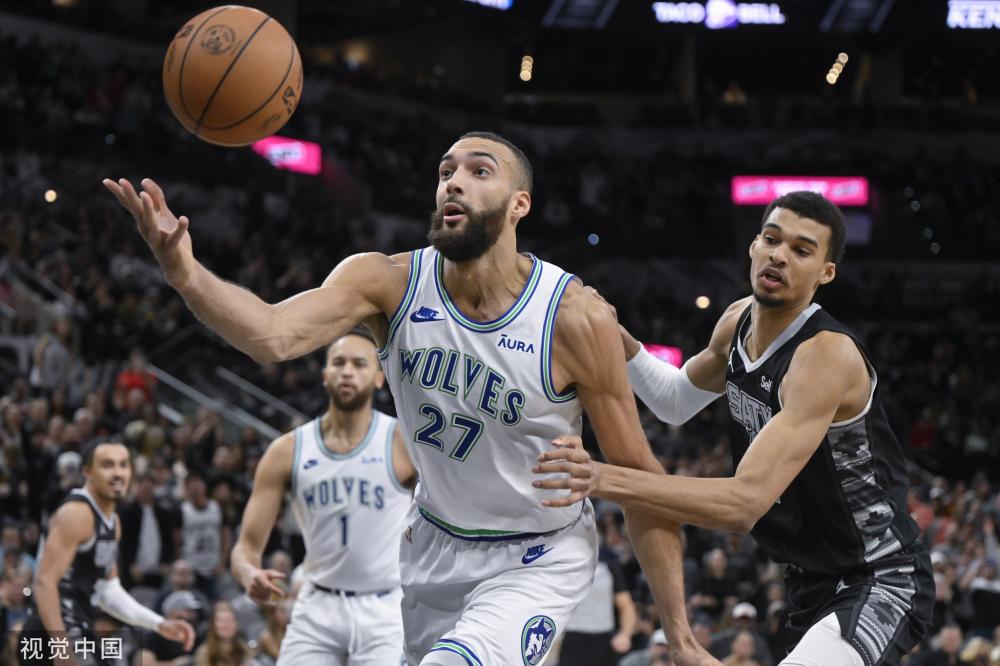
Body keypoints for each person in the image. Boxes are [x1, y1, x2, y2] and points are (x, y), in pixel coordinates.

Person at [103, 131, 718, 665]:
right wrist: (185, 273)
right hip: (433, 545)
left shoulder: (574, 317)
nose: (454, 182)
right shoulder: (387, 281)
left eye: (480, 171)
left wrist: (680, 635)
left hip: (537, 554)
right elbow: (272, 334)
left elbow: (642, 481)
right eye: (446, 171)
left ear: (519, 205)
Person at [536, 192, 934, 666]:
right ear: (753, 246)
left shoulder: (825, 355)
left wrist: (600, 477)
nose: (779, 255)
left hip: (879, 576)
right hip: (809, 579)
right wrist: (620, 340)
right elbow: (675, 401)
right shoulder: (737, 320)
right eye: (772, 239)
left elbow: (743, 504)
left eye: (801, 250)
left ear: (826, 272)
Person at [230, 331, 417, 664]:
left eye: (359, 364)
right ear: (325, 375)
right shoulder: (287, 450)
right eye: (339, 363)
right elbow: (245, 547)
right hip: (317, 604)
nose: (347, 371)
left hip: (385, 606)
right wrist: (248, 574)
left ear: (379, 379)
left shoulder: (403, 442)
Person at [20, 441, 194, 665]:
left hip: (77, 626)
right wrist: (61, 649)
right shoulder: (76, 513)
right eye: (107, 465)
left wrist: (158, 623)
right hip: (49, 632)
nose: (117, 473)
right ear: (87, 472)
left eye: (123, 465)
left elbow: (107, 591)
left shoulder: (113, 522)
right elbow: (44, 582)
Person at [192, 600, 252, 666]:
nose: (226, 625)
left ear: (237, 624)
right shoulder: (204, 653)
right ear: (213, 625)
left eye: (230, 620)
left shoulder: (244, 648)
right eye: (221, 621)